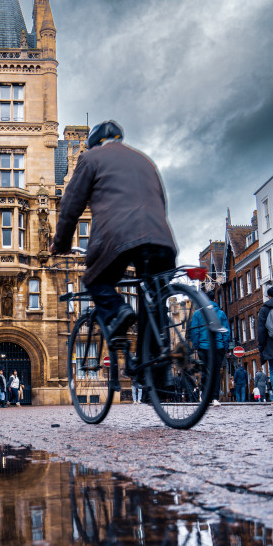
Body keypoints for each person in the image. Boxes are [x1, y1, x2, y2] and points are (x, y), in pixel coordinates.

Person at [50, 120, 177, 347]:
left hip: (123, 237)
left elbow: (70, 204)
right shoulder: (145, 161)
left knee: (93, 278)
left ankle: (119, 311)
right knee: (153, 299)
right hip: (163, 240)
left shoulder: (90, 158)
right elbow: (161, 202)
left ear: (93, 144)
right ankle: (158, 372)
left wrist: (61, 243)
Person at [190, 290, 230, 406]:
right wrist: (225, 346)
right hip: (218, 347)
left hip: (203, 347)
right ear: (214, 299)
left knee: (206, 372)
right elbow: (226, 332)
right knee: (216, 372)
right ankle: (215, 398)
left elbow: (195, 331)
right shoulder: (221, 314)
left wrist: (197, 346)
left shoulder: (197, 314)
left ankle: (205, 397)